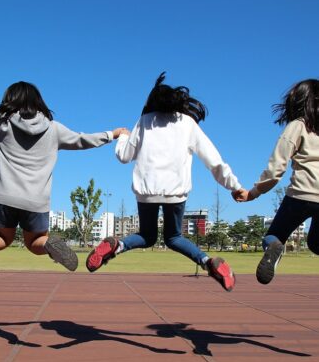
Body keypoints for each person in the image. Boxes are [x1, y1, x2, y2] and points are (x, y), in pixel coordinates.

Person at [0, 65, 126, 275]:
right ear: (38, 102)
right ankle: (49, 246)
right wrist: (111, 134)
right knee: (35, 242)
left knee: (2, 236)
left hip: (4, 196)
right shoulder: (54, 129)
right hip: (36, 201)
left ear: (11, 100)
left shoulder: (3, 124)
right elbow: (83, 140)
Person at [86, 72, 244, 292]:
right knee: (173, 237)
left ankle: (116, 246)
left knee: (146, 235)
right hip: (175, 193)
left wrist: (122, 135)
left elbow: (123, 156)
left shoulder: (144, 122)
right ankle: (208, 262)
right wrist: (234, 186)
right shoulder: (187, 123)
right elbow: (213, 160)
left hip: (146, 191)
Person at [233, 79, 319, 284]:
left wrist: (253, 193)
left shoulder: (298, 126)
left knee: (274, 237)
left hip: (300, 195)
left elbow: (276, 168)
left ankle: (275, 249)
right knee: (316, 243)